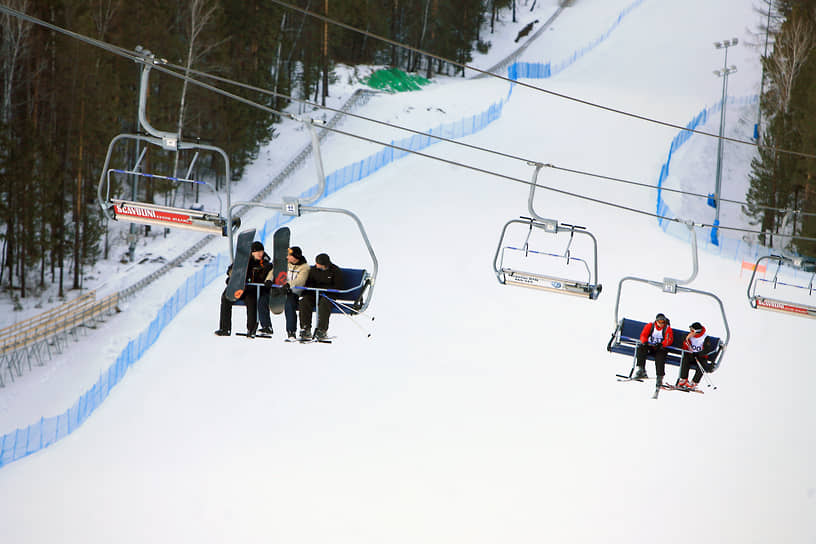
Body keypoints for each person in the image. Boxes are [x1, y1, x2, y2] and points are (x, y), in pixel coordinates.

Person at [215, 241, 272, 338]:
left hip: (252, 289)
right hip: (240, 287)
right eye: (256, 252)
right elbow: (231, 270)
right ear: (252, 252)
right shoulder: (243, 260)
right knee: (226, 298)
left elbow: (265, 276)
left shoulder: (265, 264)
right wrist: (233, 275)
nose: (259, 254)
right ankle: (225, 328)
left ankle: (251, 329)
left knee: (251, 301)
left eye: (261, 251)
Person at [265, 246, 310, 341]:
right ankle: (265, 326)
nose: (287, 257)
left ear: (295, 256)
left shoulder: (304, 267)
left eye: (289, 255)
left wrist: (289, 285)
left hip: (294, 292)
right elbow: (274, 271)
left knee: (289, 305)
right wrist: (269, 280)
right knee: (263, 299)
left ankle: (291, 332)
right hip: (282, 289)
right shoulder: (286, 264)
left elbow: (301, 280)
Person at [298, 253, 342, 341]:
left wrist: (324, 289)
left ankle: (322, 330)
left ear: (325, 265)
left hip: (328, 295)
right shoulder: (313, 270)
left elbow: (338, 286)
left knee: (324, 303)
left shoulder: (335, 271)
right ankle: (305, 328)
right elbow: (309, 283)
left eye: (319, 264)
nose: (316, 266)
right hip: (314, 294)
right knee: (304, 301)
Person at [632, 313, 674, 387]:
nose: (661, 324)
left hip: (660, 348)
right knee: (641, 348)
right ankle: (641, 369)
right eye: (659, 322)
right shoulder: (650, 326)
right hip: (650, 346)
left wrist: (662, 344)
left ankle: (659, 377)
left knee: (660, 358)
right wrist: (644, 342)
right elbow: (643, 335)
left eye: (663, 322)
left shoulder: (667, 329)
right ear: (656, 321)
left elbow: (669, 339)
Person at [677, 322, 717, 390]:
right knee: (685, 359)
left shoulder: (705, 338)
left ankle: (694, 382)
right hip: (691, 355)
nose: (690, 332)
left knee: (702, 365)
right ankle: (684, 378)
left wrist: (699, 354)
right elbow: (685, 347)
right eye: (690, 330)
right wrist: (687, 339)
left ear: (697, 332)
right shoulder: (689, 336)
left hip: (701, 357)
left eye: (692, 331)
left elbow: (707, 350)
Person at [257, 246, 275, 335]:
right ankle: (264, 326)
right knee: (257, 302)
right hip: (255, 289)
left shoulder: (267, 265)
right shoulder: (248, 262)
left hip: (266, 290)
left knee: (261, 301)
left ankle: (266, 326)